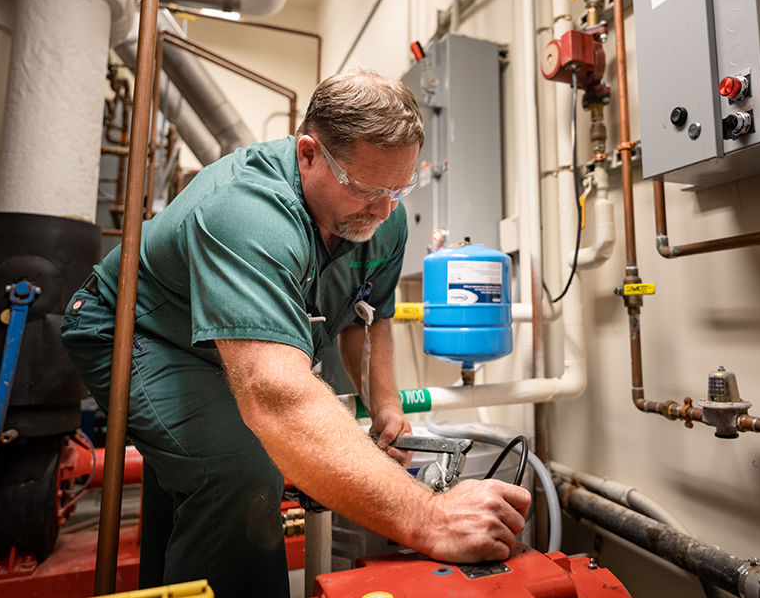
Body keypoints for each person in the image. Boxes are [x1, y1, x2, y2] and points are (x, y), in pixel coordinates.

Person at [61, 70, 531, 597]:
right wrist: (430, 517)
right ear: (309, 154)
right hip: (139, 328)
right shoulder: (247, 211)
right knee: (235, 469)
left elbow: (367, 314)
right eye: (367, 188)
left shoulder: (382, 217)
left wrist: (386, 407)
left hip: (224, 345)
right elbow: (276, 397)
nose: (384, 209)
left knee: (199, 462)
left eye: (400, 188)